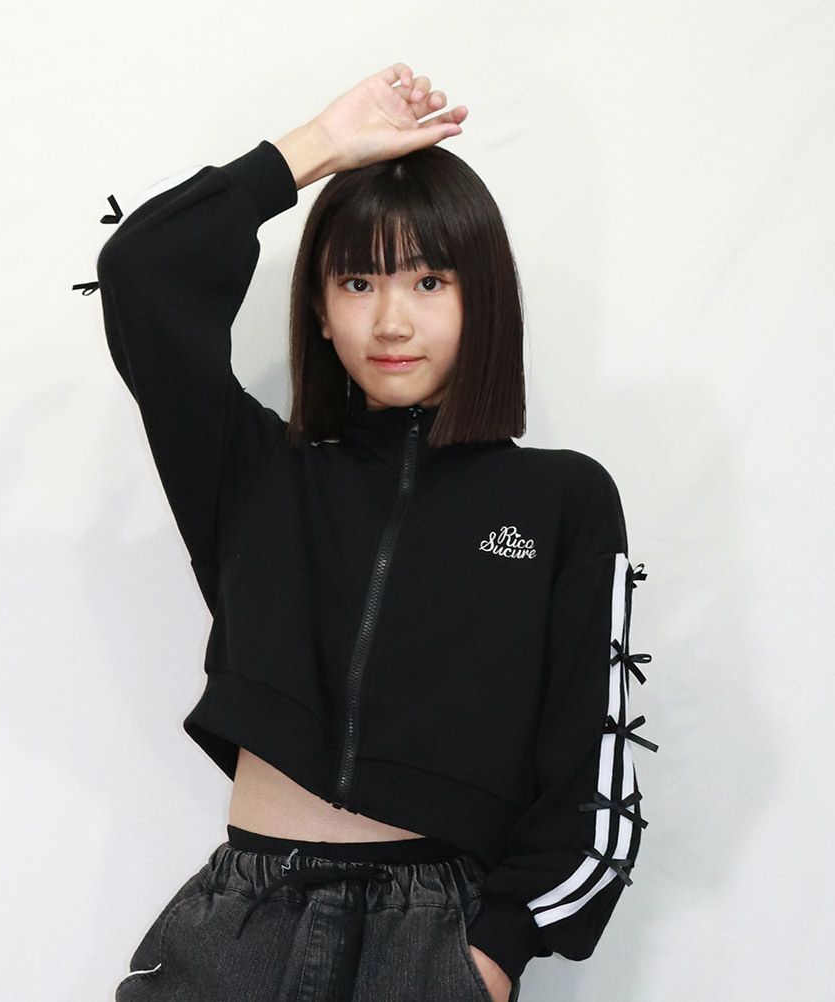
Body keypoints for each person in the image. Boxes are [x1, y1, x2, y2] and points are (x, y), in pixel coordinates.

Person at [92, 62, 656, 1002]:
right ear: (319, 308)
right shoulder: (252, 472)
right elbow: (141, 272)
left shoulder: (562, 500)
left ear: (481, 298)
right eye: (358, 281)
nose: (392, 320)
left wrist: (496, 950)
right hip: (240, 922)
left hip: (432, 935)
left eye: (430, 280)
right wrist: (316, 147)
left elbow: (590, 764)